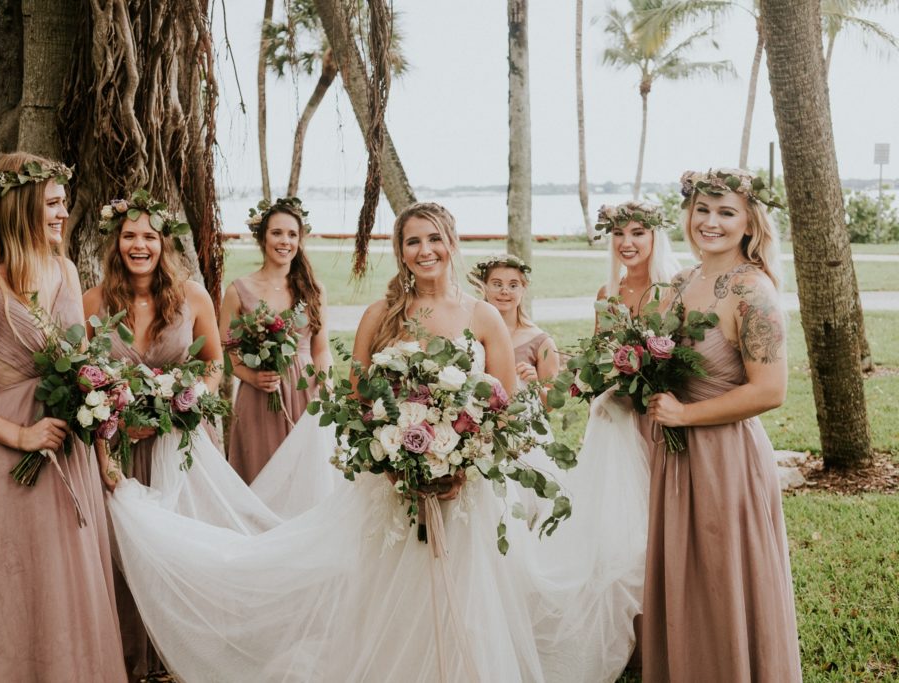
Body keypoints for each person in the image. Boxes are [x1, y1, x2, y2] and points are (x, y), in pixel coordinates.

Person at [105, 202, 649, 682]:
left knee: (469, 592)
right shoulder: (380, 316)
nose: (425, 249)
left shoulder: (482, 316)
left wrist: (463, 458)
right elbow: (354, 404)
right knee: (395, 593)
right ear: (401, 251)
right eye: (413, 240)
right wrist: (394, 457)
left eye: (434, 238)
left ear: (451, 244)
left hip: (468, 492)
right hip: (392, 488)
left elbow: (506, 405)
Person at [0, 152, 125, 681]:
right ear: (20, 207)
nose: (63, 213)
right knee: (23, 578)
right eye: (53, 203)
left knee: (71, 577)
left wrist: (103, 453)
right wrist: (19, 433)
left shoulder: (65, 270)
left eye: (63, 203)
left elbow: (86, 369)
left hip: (69, 449)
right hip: (13, 460)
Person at [84, 190, 283, 679]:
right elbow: (82, 377)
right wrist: (104, 446)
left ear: (163, 243)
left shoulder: (192, 295)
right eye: (129, 236)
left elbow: (213, 363)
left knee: (190, 540)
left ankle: (196, 646)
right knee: (125, 549)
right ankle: (135, 654)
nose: (139, 245)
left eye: (148, 236)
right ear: (116, 243)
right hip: (121, 443)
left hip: (181, 440)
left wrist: (185, 397)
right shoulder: (92, 301)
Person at [644, 168, 801, 681]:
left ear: (749, 224)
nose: (710, 222)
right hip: (674, 455)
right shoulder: (682, 281)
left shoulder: (753, 293)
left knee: (722, 577)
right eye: (702, 210)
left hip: (725, 459)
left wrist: (685, 414)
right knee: (686, 577)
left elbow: (770, 391)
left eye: (726, 212)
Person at [219, 197, 332, 484]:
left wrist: (326, 386)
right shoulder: (238, 290)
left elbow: (321, 349)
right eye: (277, 233)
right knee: (260, 473)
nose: (285, 241)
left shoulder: (314, 290)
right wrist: (253, 377)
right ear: (262, 237)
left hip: (304, 393)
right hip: (259, 396)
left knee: (304, 479)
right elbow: (227, 354)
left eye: (292, 234)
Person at [468, 253, 560, 390]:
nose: (504, 291)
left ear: (523, 289)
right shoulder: (469, 332)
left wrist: (535, 384)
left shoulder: (542, 343)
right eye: (497, 284)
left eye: (513, 285)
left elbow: (550, 405)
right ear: (484, 287)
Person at [595, 200, 682, 319]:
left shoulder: (674, 292)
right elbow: (600, 337)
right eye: (619, 233)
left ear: (654, 238)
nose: (626, 243)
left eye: (637, 233)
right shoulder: (606, 294)